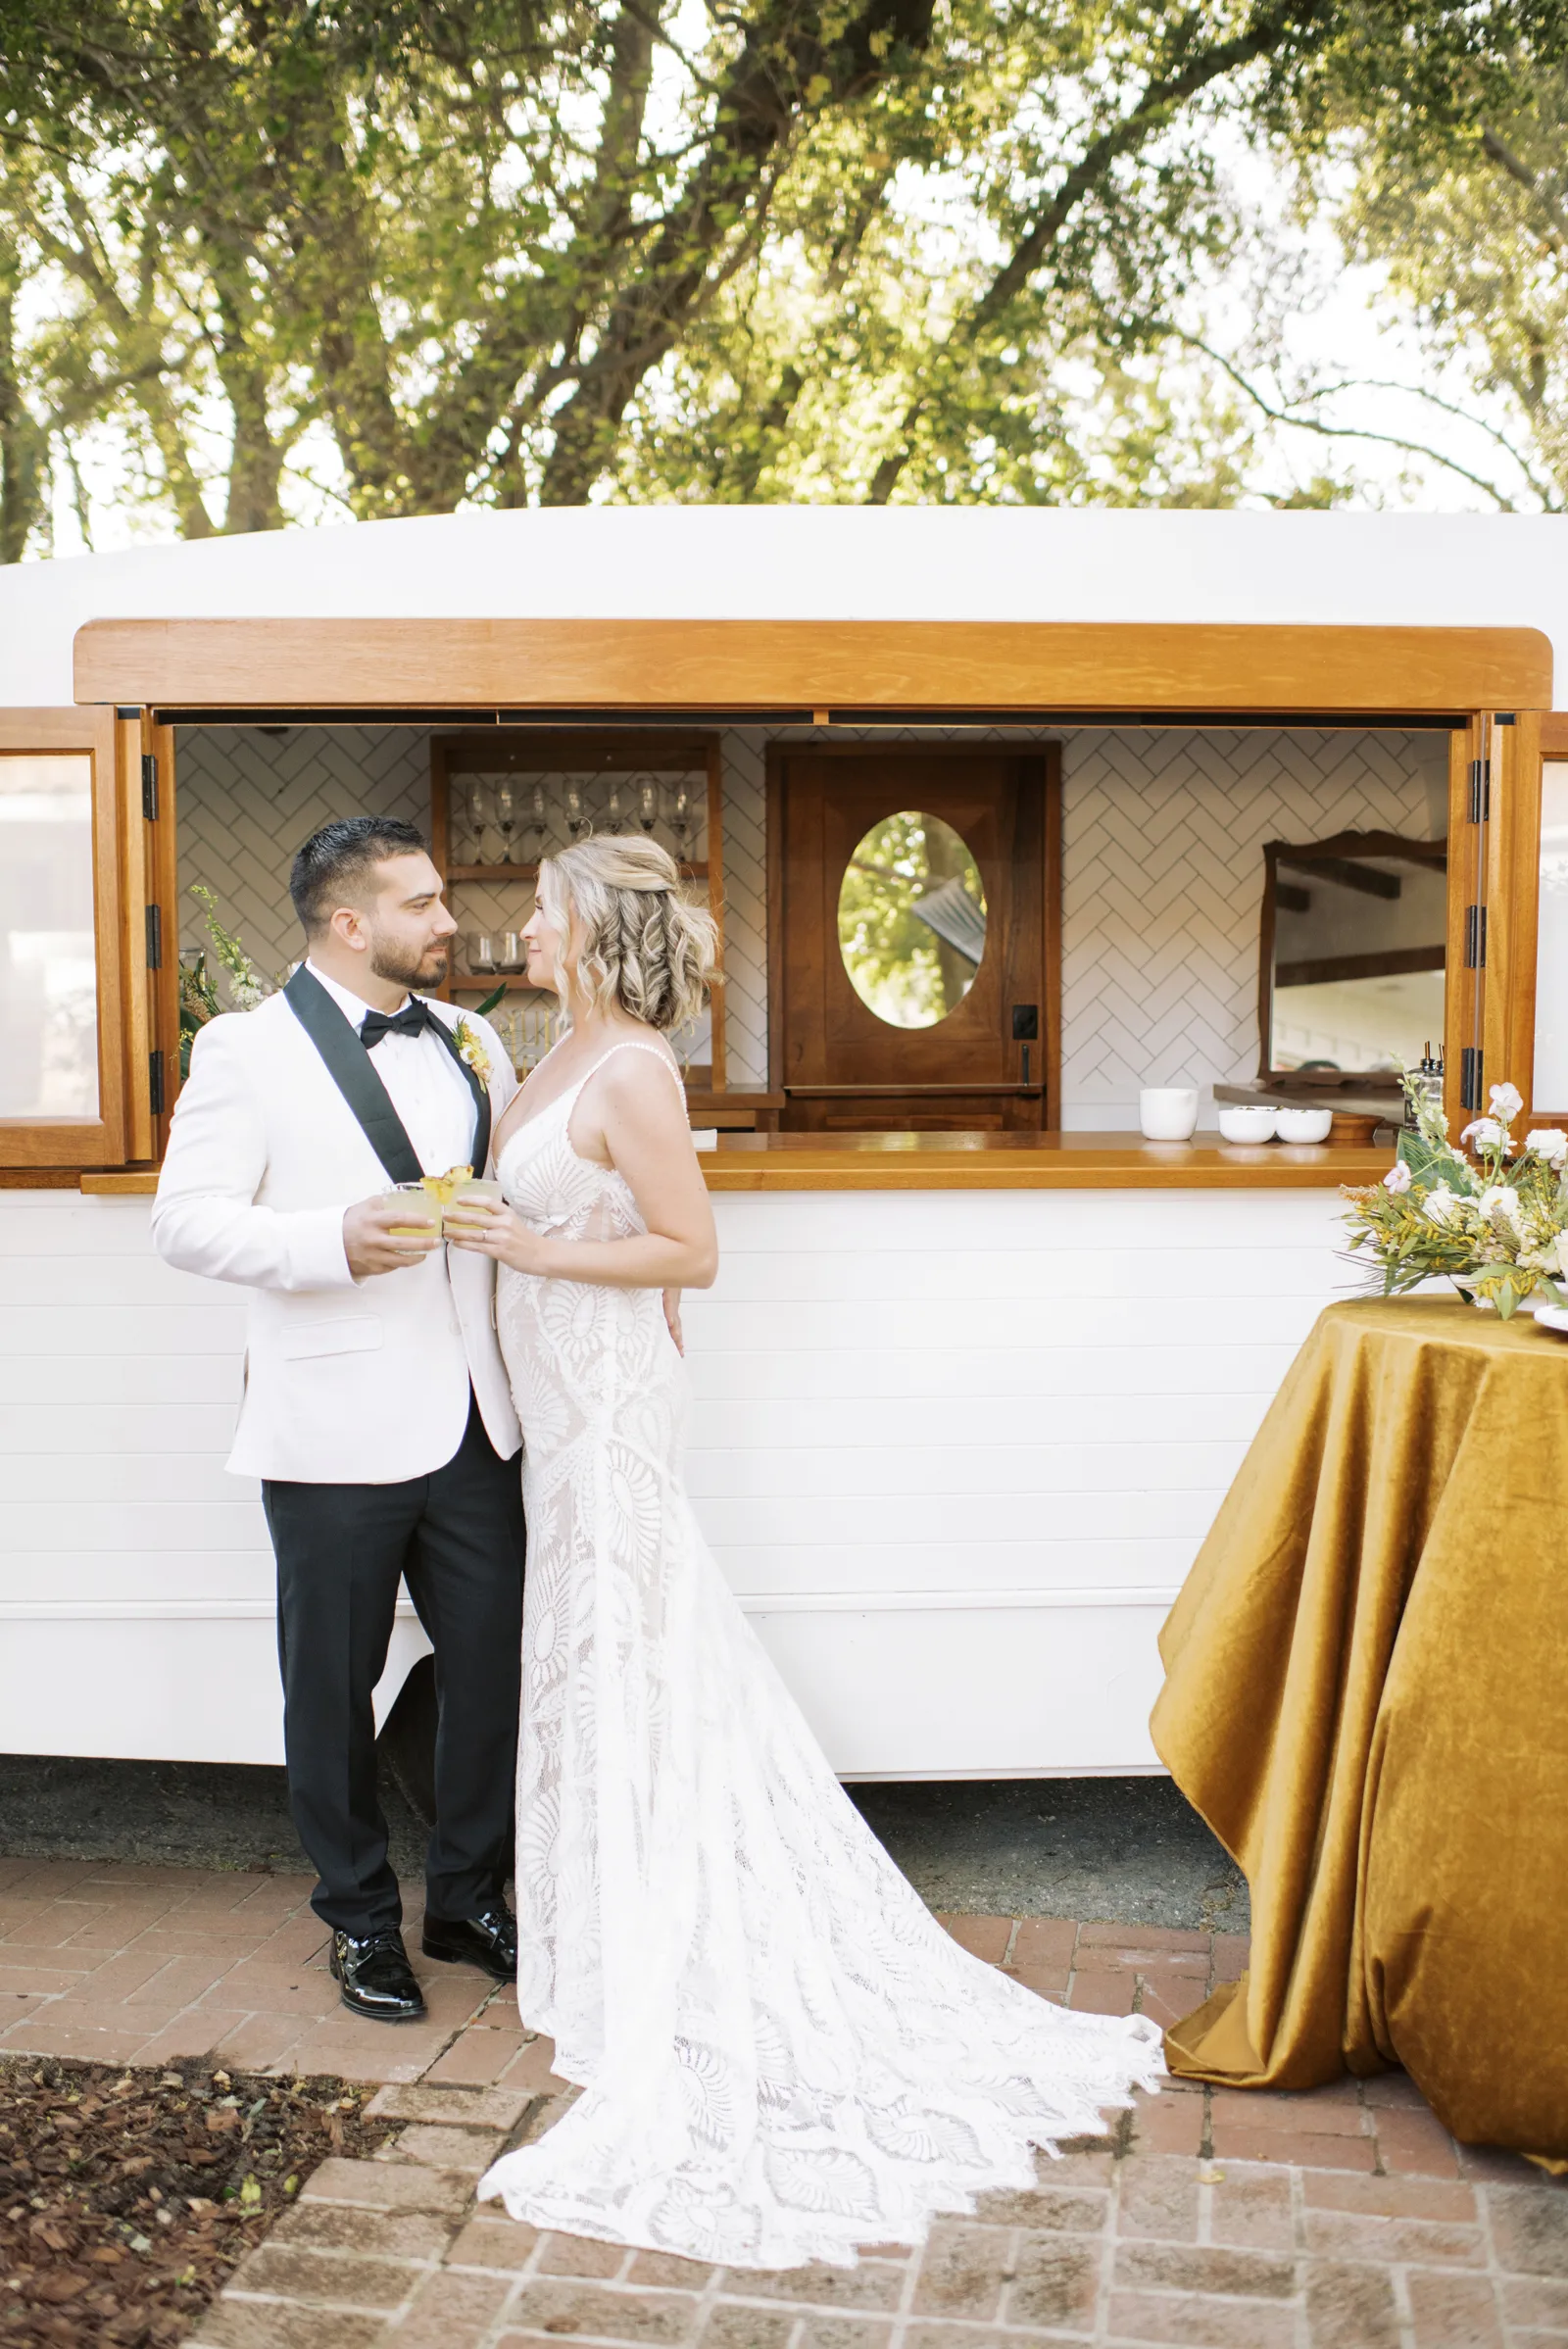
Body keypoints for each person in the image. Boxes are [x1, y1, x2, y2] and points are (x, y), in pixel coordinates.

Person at [444, 835, 1163, 2271]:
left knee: (628, 1627)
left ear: (588, 928)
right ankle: (604, 1908)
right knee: (595, 1638)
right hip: (563, 1388)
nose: (518, 925)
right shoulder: (546, 1051)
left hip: (606, 1391)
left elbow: (689, 1250)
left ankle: (666, 1907)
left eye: (537, 909)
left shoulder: (633, 1067)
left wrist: (528, 1257)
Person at [152, 817, 525, 2026]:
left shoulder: (471, 1039)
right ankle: (359, 1920)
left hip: (477, 1420)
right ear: (351, 921)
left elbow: (505, 1202)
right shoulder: (245, 1050)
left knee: (491, 1675)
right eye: (422, 903)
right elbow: (185, 1220)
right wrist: (326, 1243)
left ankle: (466, 1898)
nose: (447, 919)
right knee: (331, 1688)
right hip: (329, 1427)